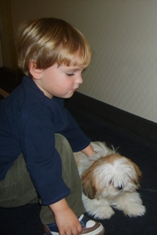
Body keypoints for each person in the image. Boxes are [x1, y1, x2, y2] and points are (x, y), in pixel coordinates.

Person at [0, 18, 105, 235]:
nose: (80, 81)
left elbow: (64, 123)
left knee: (58, 136)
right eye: (71, 73)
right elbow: (41, 162)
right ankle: (58, 221)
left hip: (13, 167)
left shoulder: (43, 93)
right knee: (56, 145)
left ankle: (45, 195)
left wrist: (91, 152)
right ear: (36, 68)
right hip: (4, 188)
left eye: (81, 72)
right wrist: (62, 209)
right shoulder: (32, 111)